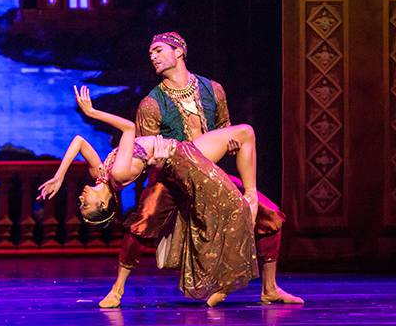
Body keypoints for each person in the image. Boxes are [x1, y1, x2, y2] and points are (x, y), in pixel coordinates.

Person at [100, 32, 303, 307]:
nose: (153, 57)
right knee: (143, 220)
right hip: (170, 177)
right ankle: (117, 289)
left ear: (179, 51)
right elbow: (150, 155)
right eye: (151, 54)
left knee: (268, 215)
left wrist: (230, 144)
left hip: (209, 172)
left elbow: (224, 130)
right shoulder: (151, 104)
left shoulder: (213, 90)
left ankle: (269, 288)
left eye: (159, 51)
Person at [38, 85, 258, 306]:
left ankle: (250, 195)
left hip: (183, 150)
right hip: (183, 161)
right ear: (104, 203)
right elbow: (128, 129)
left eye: (81, 205)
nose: (80, 200)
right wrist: (92, 113)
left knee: (245, 133)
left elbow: (79, 141)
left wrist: (59, 176)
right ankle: (228, 281)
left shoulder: (101, 174)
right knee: (233, 206)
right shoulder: (118, 173)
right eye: (85, 206)